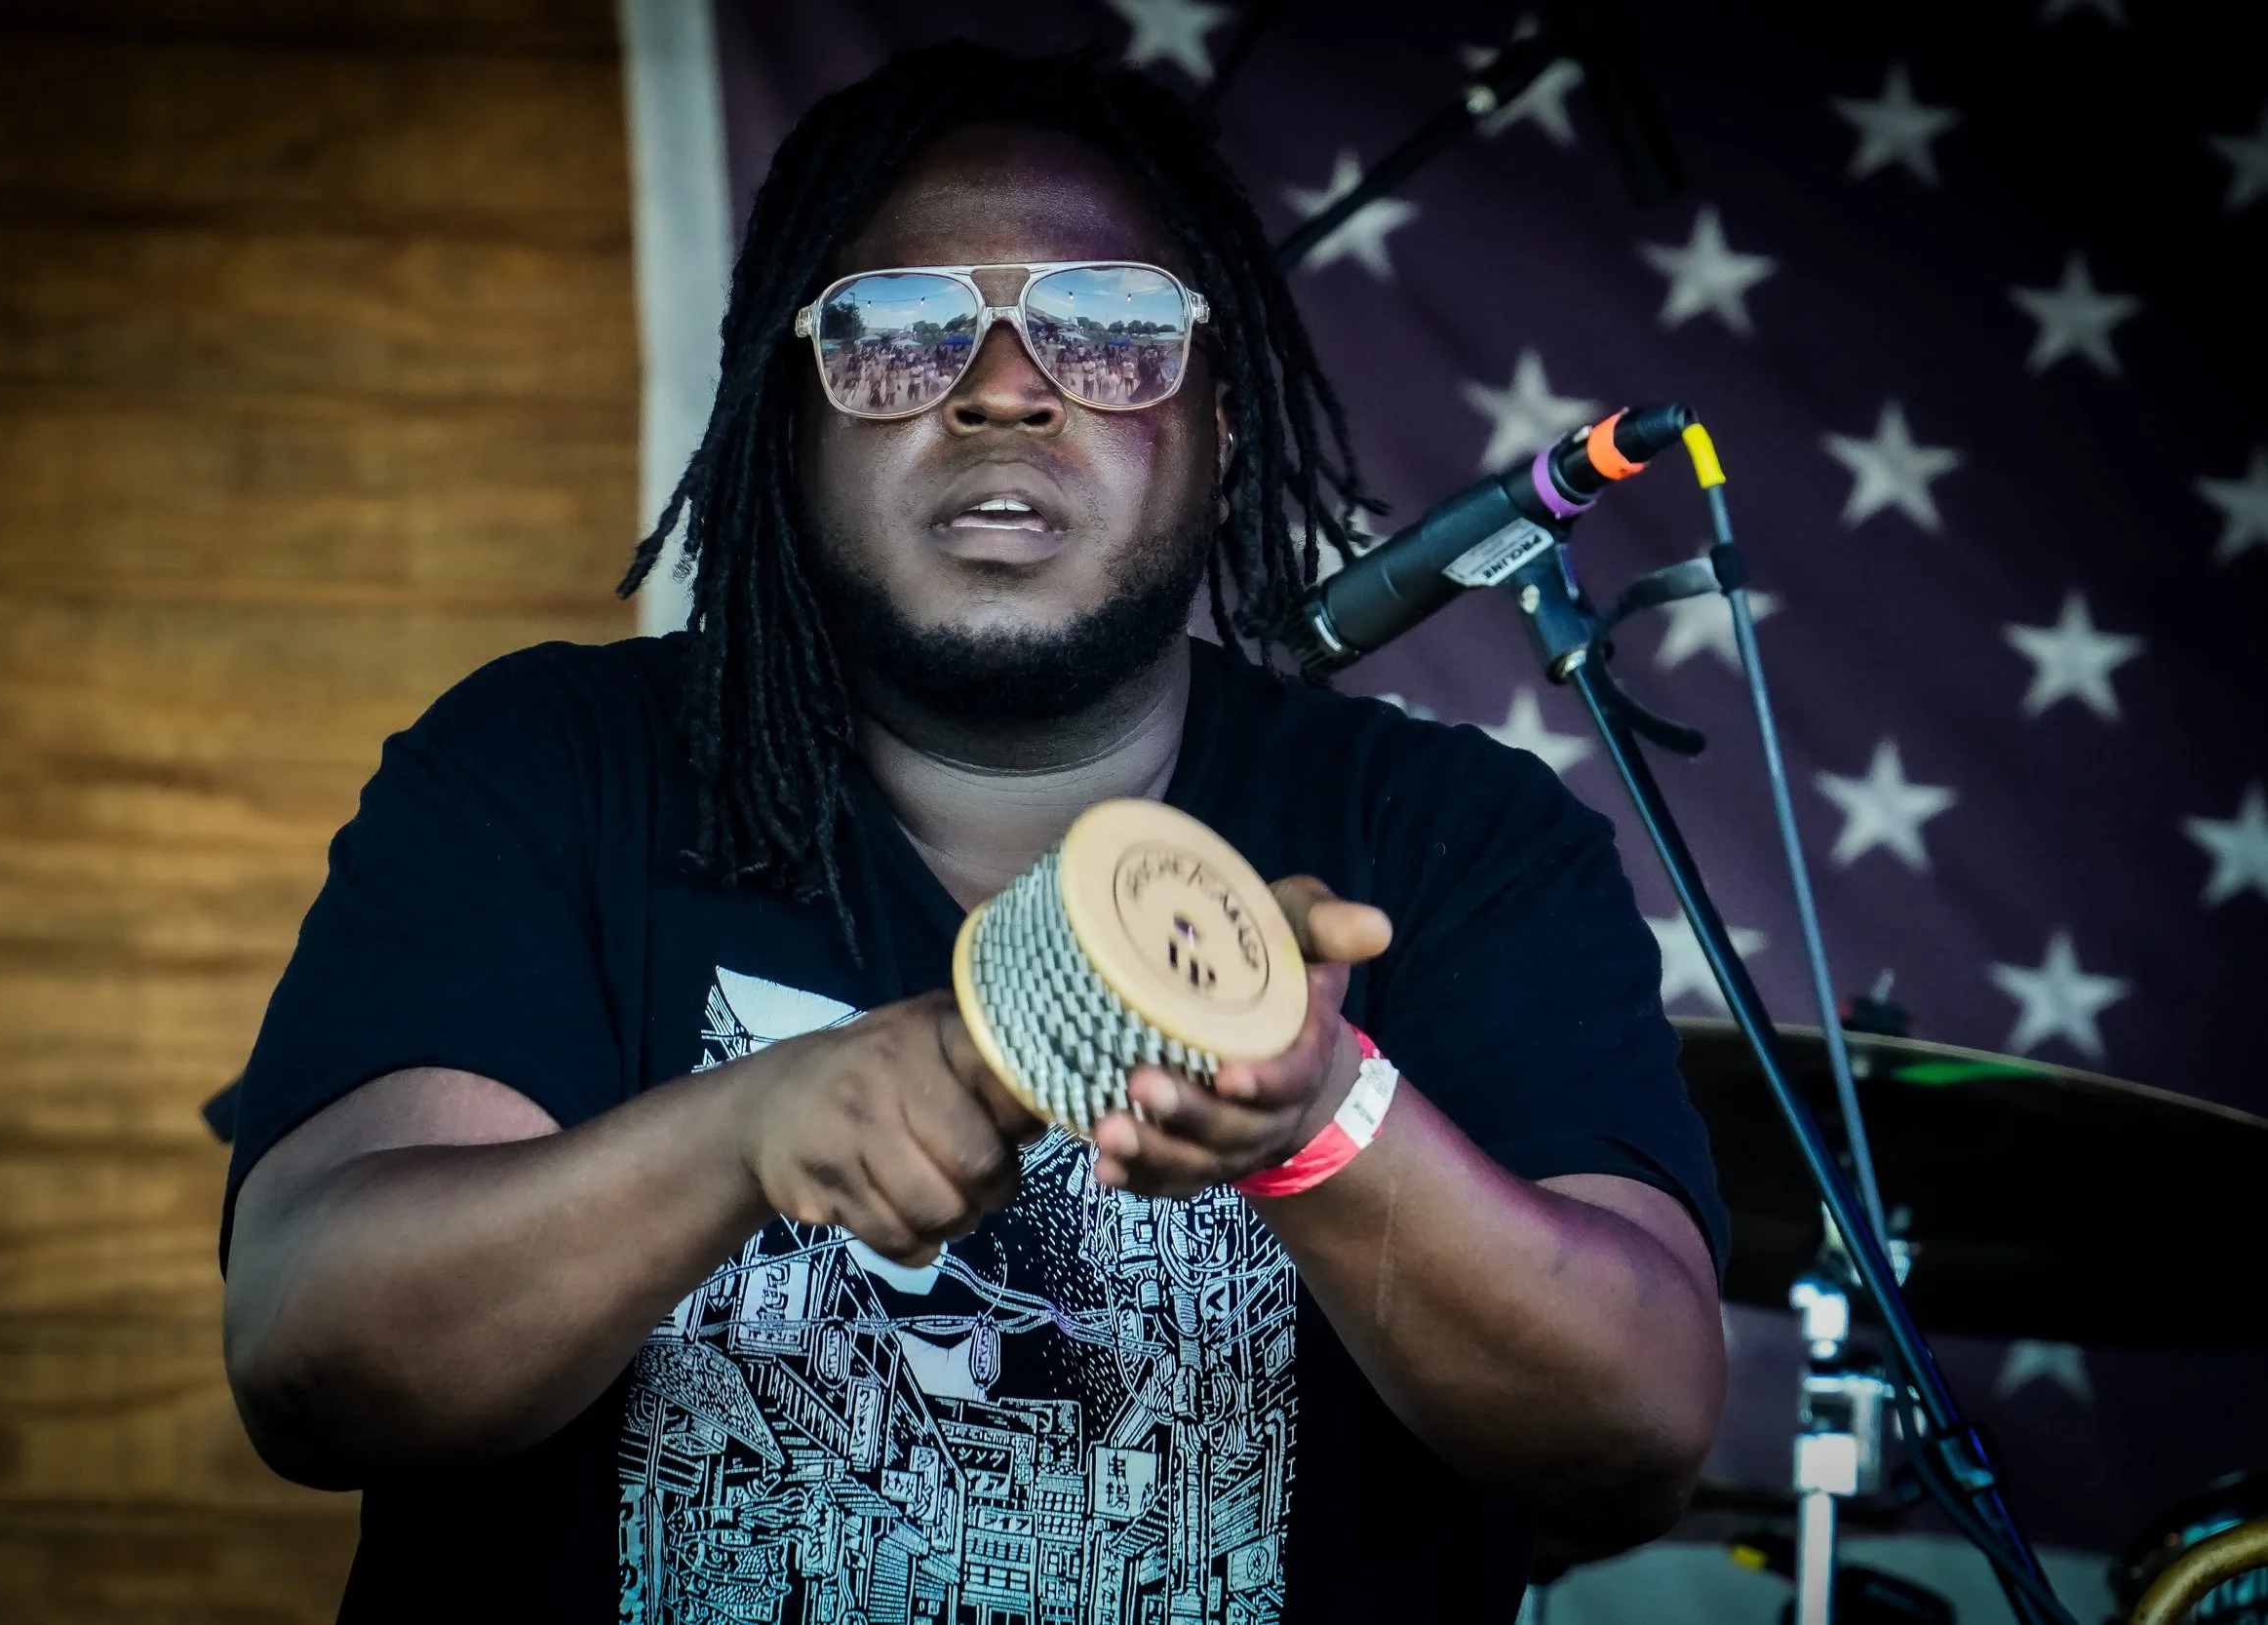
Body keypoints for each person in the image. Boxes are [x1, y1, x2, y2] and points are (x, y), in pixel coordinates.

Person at [220, 43, 1728, 1624]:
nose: (1004, 385)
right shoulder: (543, 769)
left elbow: (1631, 1438)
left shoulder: (1456, 841)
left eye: (1111, 330)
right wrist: (745, 1129)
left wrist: (1323, 1120)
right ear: (791, 426)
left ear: (1220, 434)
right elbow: (315, 1363)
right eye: (898, 331)